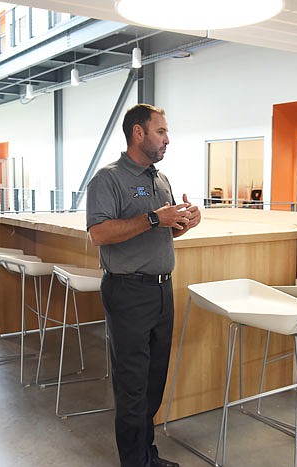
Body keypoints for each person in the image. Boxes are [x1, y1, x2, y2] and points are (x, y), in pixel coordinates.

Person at [86, 103, 201, 467]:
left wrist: (184, 223)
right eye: (161, 131)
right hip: (129, 292)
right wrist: (154, 217)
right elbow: (100, 234)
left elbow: (161, 233)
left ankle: (146, 456)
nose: (168, 139)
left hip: (162, 290)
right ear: (139, 133)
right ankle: (135, 463)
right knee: (133, 385)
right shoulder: (108, 179)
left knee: (153, 381)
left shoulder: (160, 179)